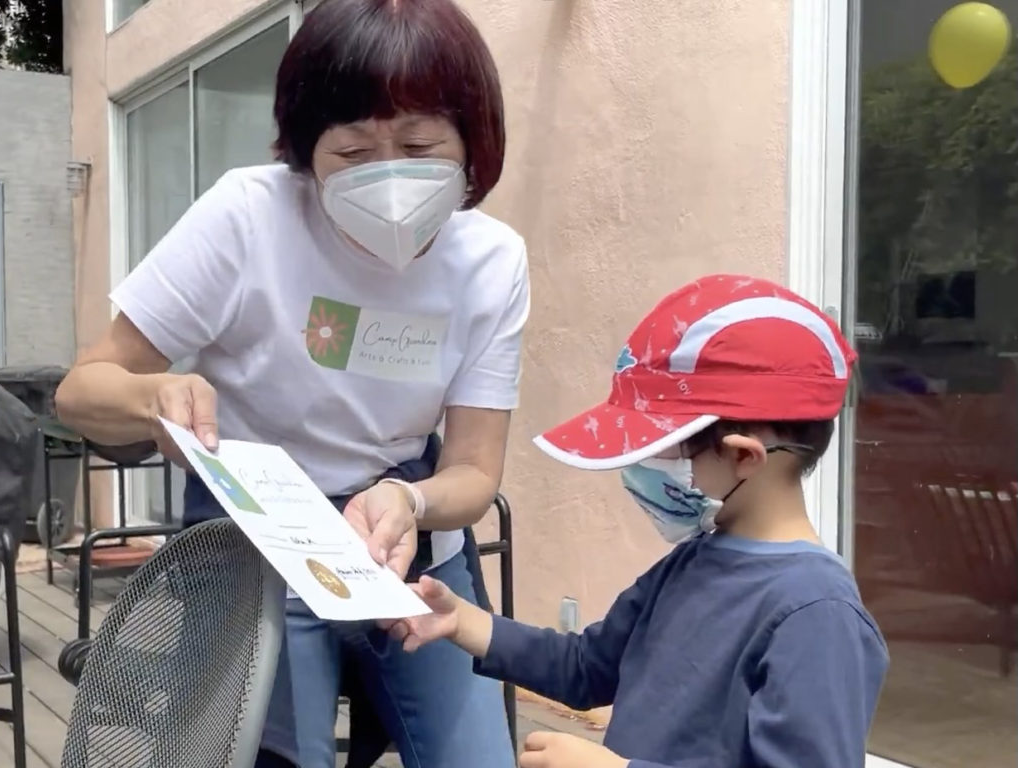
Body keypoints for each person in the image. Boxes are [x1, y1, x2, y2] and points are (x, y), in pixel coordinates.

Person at [54, 1, 526, 766]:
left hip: (405, 541)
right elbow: (82, 391)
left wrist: (411, 501)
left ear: (474, 146)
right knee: (270, 751)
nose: (388, 180)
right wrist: (153, 398)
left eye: (418, 146)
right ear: (305, 153)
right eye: (352, 152)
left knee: (475, 755)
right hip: (255, 536)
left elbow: (473, 470)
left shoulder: (492, 261)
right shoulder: (248, 219)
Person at [386, 274, 890, 768]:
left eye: (660, 447)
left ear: (743, 457)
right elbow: (585, 667)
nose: (640, 465)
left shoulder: (818, 615)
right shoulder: (692, 561)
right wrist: (461, 619)